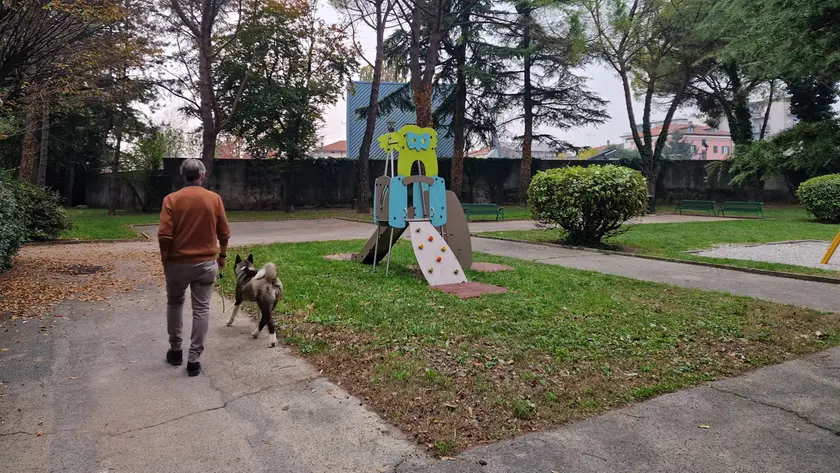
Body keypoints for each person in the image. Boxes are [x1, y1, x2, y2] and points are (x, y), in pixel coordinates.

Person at [157, 159, 230, 377]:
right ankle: (194, 360)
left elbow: (164, 235)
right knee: (201, 309)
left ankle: (176, 350)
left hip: (177, 264)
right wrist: (223, 255)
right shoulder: (214, 199)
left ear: (183, 175)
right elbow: (224, 233)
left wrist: (165, 258)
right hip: (206, 265)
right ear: (202, 175)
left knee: (175, 304)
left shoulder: (171, 199)